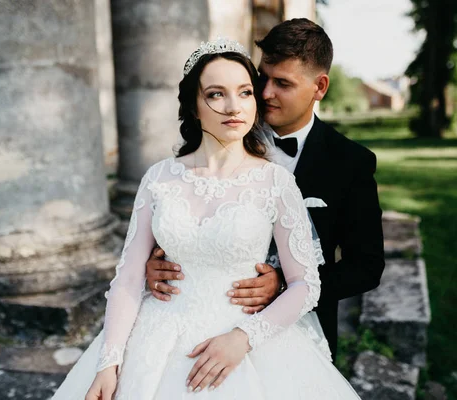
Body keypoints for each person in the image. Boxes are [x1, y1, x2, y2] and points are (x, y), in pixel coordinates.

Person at [51, 38, 360, 399]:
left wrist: (243, 339)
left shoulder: (275, 181)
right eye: (216, 94)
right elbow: (128, 278)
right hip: (155, 336)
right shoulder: (158, 178)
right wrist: (110, 361)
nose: (233, 106)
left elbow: (306, 284)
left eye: (245, 93)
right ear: (194, 107)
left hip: (244, 337)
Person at [146, 18, 385, 358]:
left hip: (301, 333)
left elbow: (366, 266)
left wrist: (284, 284)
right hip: (202, 326)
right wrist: (154, 264)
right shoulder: (223, 130)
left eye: (283, 83)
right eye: (263, 78)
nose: (266, 93)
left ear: (319, 87)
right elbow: (179, 211)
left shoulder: (351, 163)